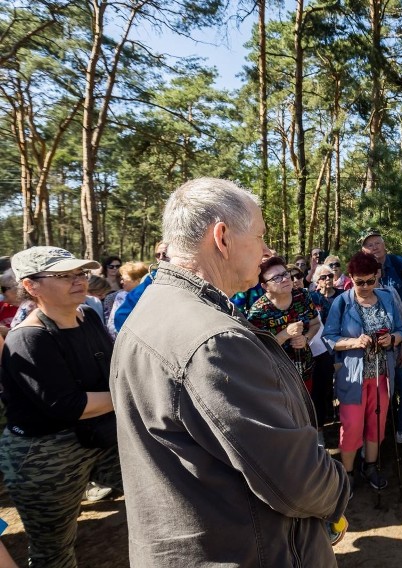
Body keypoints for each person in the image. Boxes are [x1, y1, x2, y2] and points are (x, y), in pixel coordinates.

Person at [111, 177, 348, 566]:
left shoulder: (150, 311)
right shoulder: (212, 340)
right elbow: (295, 478)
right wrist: (337, 492)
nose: (267, 251)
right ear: (222, 238)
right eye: (259, 237)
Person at [1, 247, 121, 567]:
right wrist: (134, 393)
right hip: (43, 455)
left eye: (80, 273)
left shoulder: (90, 317)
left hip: (97, 436)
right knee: (54, 549)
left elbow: (112, 372)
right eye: (63, 276)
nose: (78, 280)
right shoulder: (28, 338)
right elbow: (70, 406)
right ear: (31, 286)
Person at [323, 252, 402, 494]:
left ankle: (370, 466)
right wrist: (353, 342)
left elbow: (401, 330)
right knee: (350, 426)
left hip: (382, 374)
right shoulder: (342, 302)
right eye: (360, 282)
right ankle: (347, 473)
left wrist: (392, 338)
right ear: (350, 278)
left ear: (377, 276)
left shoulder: (387, 298)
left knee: (377, 424)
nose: (366, 287)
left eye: (370, 281)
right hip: (353, 377)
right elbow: (329, 339)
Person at [360, 229, 402, 445]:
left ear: (384, 244)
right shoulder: (359, 280)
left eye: (377, 243)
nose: (374, 247)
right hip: (373, 351)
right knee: (382, 393)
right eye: (369, 245)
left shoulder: (399, 265)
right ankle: (381, 430)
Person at [248, 256, 321, 393]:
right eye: (276, 278)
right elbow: (257, 351)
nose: (285, 279)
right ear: (265, 286)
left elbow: (315, 324)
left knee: (306, 410)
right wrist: (285, 334)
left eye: (285, 273)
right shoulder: (258, 312)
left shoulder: (302, 295)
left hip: (305, 368)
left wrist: (306, 338)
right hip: (276, 377)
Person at [309, 263, 342, 432]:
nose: (327, 279)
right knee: (322, 387)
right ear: (317, 281)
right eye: (323, 277)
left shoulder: (343, 296)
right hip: (320, 349)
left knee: (342, 383)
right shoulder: (312, 298)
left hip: (342, 345)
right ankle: (322, 423)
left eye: (330, 275)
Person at [111, 242, 169, 333]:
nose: (161, 258)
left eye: (165, 254)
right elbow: (122, 316)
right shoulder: (150, 280)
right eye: (158, 255)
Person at [106, 261, 148, 338]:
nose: (121, 282)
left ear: (137, 280)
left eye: (124, 279)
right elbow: (112, 324)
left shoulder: (150, 295)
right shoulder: (121, 296)